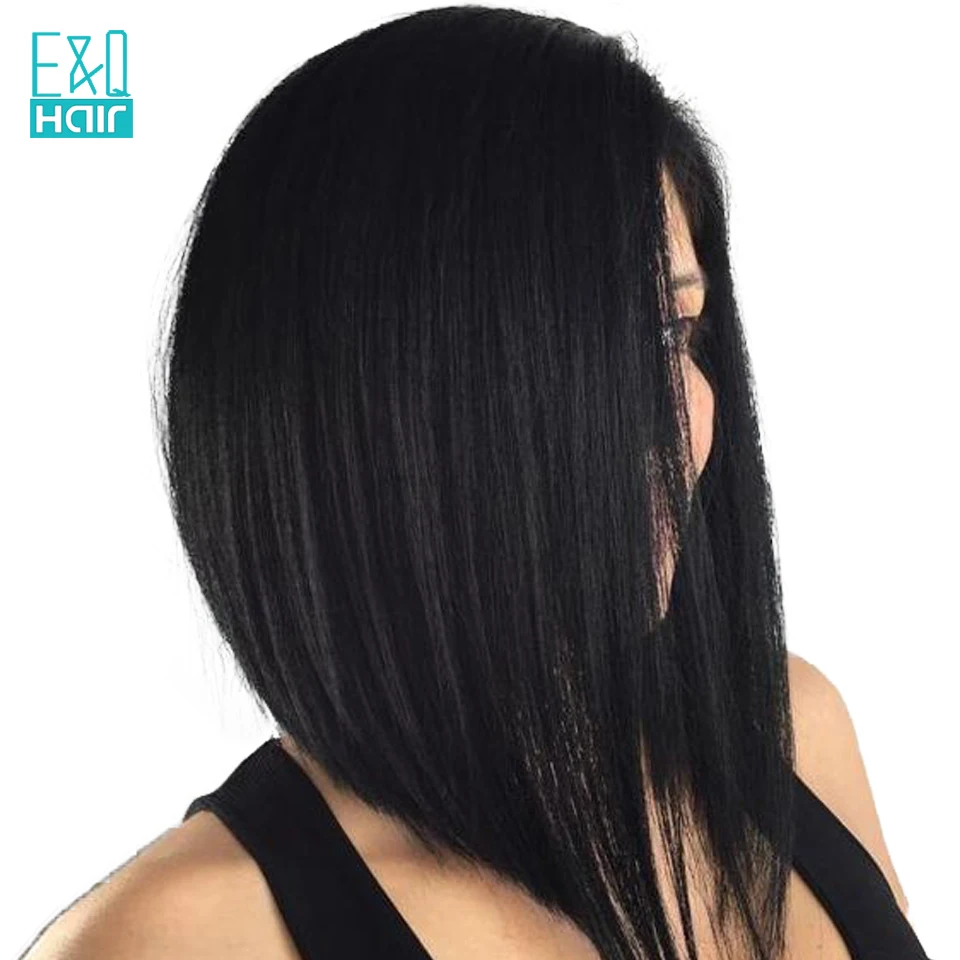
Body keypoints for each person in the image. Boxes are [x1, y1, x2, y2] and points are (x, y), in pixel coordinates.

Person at [20, 6, 929, 960]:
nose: (672, 422)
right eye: (583, 349)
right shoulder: (186, 936)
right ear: (374, 403)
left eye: (671, 332)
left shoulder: (789, 731)